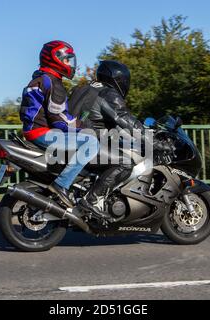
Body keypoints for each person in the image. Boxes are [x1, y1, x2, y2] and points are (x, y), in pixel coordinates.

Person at [69, 60, 169, 219]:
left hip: (69, 142)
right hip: (88, 145)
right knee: (125, 163)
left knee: (118, 150)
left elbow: (95, 120)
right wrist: (154, 142)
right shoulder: (108, 94)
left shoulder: (81, 89)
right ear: (118, 80)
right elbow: (126, 120)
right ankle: (92, 200)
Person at [20, 40, 99, 208]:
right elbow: (59, 118)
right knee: (91, 142)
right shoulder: (52, 82)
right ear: (55, 59)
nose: (69, 64)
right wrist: (84, 127)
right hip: (42, 132)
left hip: (33, 130)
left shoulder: (40, 79)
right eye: (66, 59)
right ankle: (61, 185)